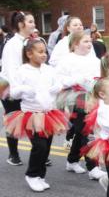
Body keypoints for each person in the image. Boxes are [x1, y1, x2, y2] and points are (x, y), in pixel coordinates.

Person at [3, 38, 69, 192]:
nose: (44, 54)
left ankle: (40, 175)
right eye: (40, 52)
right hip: (31, 115)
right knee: (39, 146)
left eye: (45, 51)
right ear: (29, 54)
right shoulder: (22, 71)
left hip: (49, 114)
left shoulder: (49, 69)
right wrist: (24, 89)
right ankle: (31, 175)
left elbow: (58, 83)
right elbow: (13, 92)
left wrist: (56, 87)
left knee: (46, 147)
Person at [55, 31, 106, 181]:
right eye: (85, 41)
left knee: (82, 131)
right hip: (74, 98)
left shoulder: (94, 60)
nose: (90, 44)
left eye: (90, 41)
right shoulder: (67, 60)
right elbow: (59, 80)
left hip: (92, 97)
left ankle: (72, 160)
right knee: (87, 131)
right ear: (75, 44)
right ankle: (93, 167)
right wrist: (77, 80)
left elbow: (99, 77)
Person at [1, 11, 36, 166]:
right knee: (14, 119)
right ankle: (13, 154)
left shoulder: (32, 42)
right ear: (21, 25)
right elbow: (11, 71)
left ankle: (39, 151)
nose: (34, 25)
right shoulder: (12, 44)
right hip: (10, 86)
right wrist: (18, 90)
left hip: (27, 86)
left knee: (32, 118)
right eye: (30, 22)